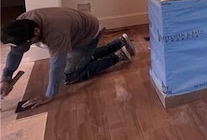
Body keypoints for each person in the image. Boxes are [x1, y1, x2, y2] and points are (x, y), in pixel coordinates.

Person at [0, 7, 136, 108]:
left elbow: (57, 64)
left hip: (88, 34)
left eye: (30, 42)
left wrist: (49, 95)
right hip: (74, 33)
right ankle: (119, 42)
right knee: (76, 63)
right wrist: (6, 78)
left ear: (36, 31)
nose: (31, 44)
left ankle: (118, 56)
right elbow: (15, 53)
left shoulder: (55, 32)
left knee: (69, 75)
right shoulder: (20, 26)